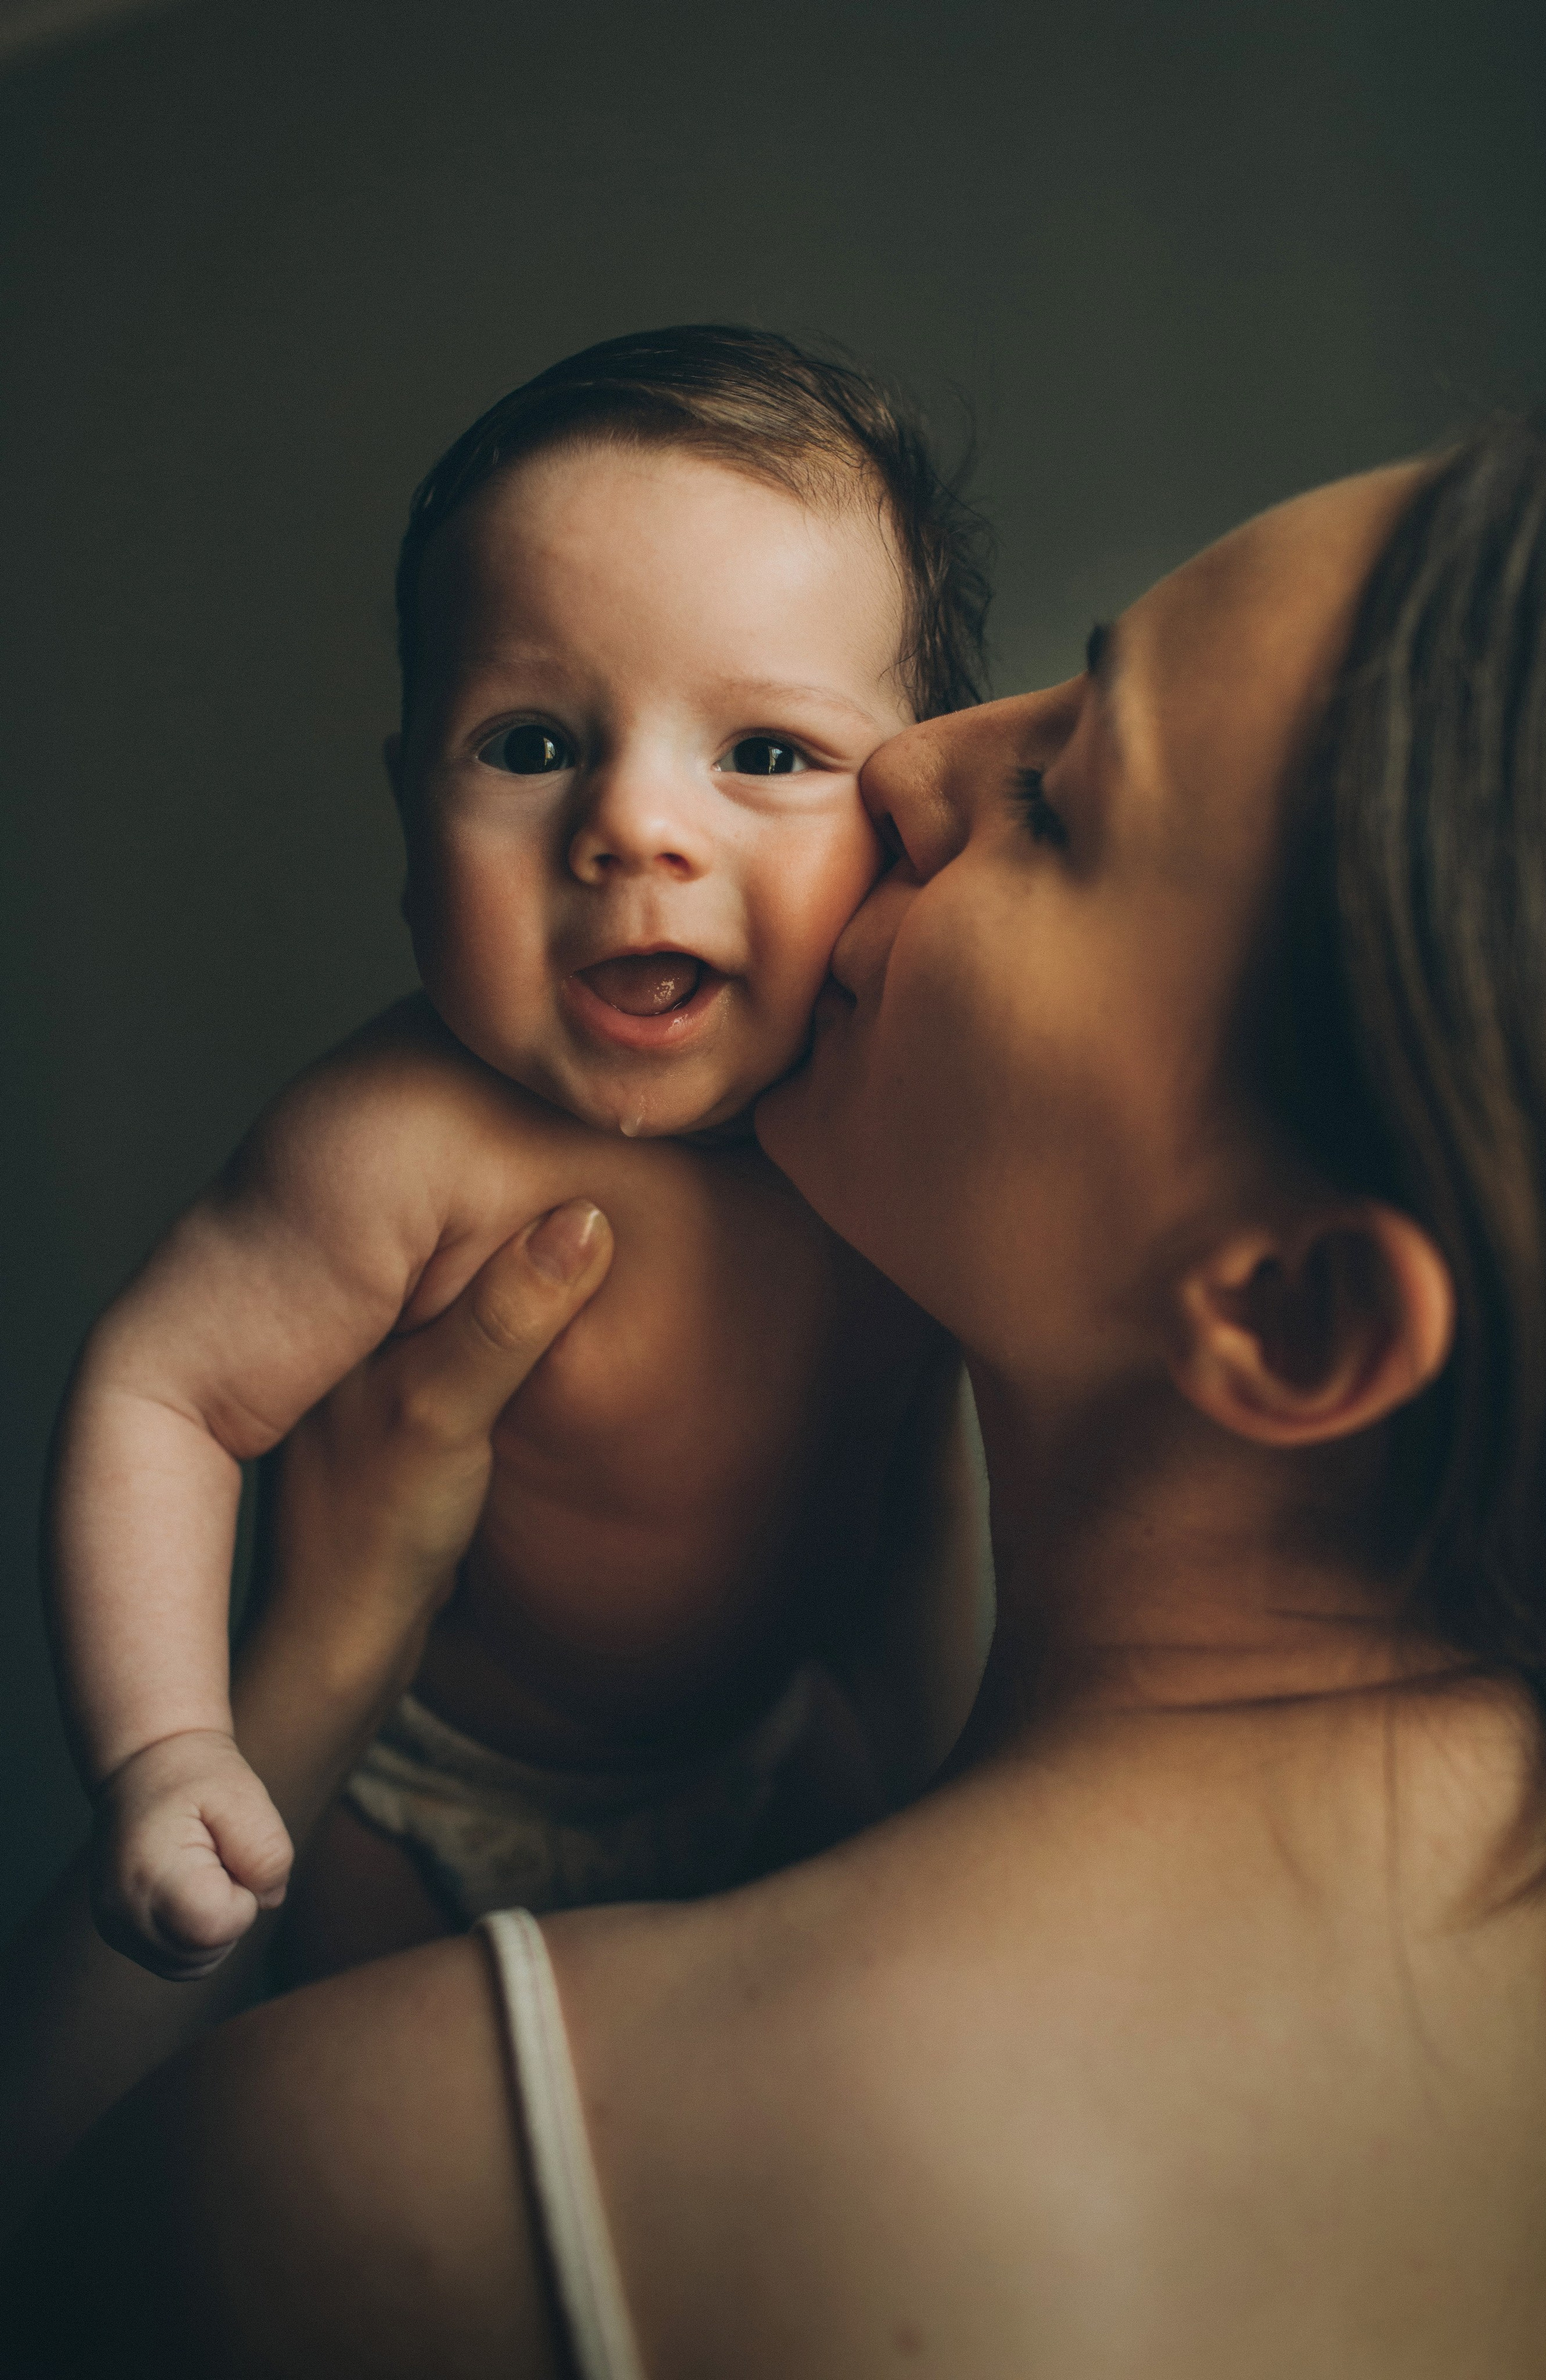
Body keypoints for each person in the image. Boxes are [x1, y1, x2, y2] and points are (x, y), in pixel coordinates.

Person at [9, 408, 1546, 2378]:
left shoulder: (390, 2168)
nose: (912, 762)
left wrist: (311, 1665)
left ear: (1286, 1312)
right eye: (531, 741)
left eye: (1070, 803)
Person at [43, 325, 992, 1984]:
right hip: (424, 1796)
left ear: (913, 811)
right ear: (413, 824)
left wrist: (937, 1768)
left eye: (766, 754)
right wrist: (168, 1750)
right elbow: (164, 1393)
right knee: (329, 2113)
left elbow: (914, 1484)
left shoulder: (898, 1127)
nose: (632, 825)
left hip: (770, 1743)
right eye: (532, 744)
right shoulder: (408, 1137)